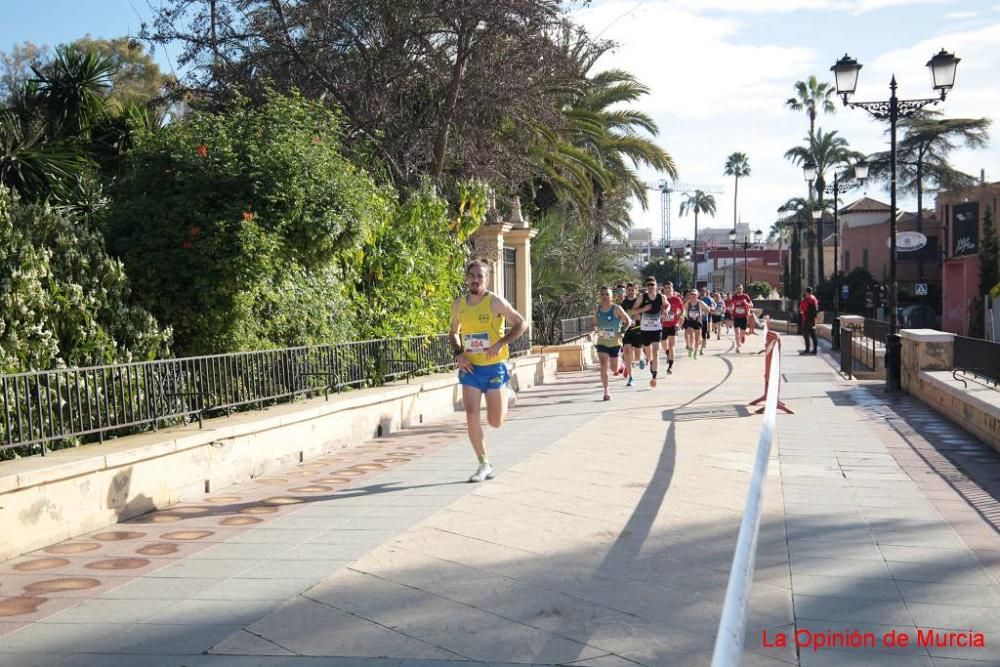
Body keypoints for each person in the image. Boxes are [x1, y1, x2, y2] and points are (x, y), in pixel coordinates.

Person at [450, 259, 527, 483]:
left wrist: (501, 343)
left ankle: (506, 390)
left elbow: (521, 323)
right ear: (467, 278)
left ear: (487, 279)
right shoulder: (459, 305)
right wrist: (459, 354)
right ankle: (483, 463)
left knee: (495, 422)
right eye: (472, 275)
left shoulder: (495, 302)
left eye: (480, 276)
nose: (475, 279)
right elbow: (453, 332)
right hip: (470, 368)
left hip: (494, 367)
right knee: (471, 413)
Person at [594, 286, 632, 400]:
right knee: (603, 364)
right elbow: (594, 324)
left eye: (607, 294)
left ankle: (622, 366)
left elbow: (628, 321)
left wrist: (623, 331)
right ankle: (606, 391)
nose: (605, 296)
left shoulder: (617, 308)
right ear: (600, 296)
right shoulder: (597, 309)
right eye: (603, 294)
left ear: (612, 296)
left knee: (614, 369)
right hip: (602, 342)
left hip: (615, 342)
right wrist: (593, 330)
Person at [632, 277, 665, 387]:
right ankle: (650, 361)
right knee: (649, 353)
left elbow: (667, 305)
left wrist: (666, 310)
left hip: (657, 329)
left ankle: (654, 377)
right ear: (646, 286)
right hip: (645, 329)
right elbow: (634, 310)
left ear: (656, 285)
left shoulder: (661, 297)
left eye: (652, 284)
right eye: (648, 285)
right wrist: (643, 309)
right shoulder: (642, 297)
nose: (650, 287)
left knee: (656, 353)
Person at [620, 283, 642, 387]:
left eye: (633, 290)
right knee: (627, 351)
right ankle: (630, 377)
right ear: (626, 291)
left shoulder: (639, 301)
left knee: (636, 356)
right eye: (629, 290)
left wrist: (637, 316)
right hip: (627, 330)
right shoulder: (623, 303)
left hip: (637, 329)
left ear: (636, 291)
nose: (630, 291)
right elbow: (621, 315)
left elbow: (641, 314)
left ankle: (640, 358)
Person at [660, 282, 685, 375]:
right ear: (664, 289)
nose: (668, 289)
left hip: (673, 325)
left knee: (672, 346)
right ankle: (667, 353)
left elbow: (682, 310)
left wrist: (677, 317)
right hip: (663, 325)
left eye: (669, 288)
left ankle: (670, 366)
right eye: (666, 288)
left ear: (672, 289)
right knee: (663, 345)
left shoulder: (676, 299)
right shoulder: (661, 299)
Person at [682, 290, 712, 357]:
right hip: (690, 322)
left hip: (698, 322)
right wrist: (685, 315)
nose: (693, 296)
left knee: (697, 339)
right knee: (691, 337)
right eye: (692, 294)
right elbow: (682, 309)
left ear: (697, 295)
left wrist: (702, 316)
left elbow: (708, 309)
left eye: (694, 295)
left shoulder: (700, 302)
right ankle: (690, 348)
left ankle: (695, 352)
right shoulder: (688, 302)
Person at [731, 284, 754, 354]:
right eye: (738, 288)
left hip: (743, 317)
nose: (739, 290)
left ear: (742, 289)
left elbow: (752, 305)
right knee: (736, 333)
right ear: (736, 289)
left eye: (740, 288)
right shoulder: (733, 297)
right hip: (736, 317)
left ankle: (743, 336)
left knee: (742, 333)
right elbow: (730, 305)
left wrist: (746, 303)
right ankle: (738, 347)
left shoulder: (745, 296)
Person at [800, 286, 820, 355]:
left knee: (806, 335)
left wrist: (803, 311)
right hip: (812, 320)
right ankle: (814, 350)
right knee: (813, 335)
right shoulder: (814, 299)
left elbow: (803, 309)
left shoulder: (808, 300)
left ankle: (807, 349)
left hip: (806, 319)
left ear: (806, 292)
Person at [699, 287, 715, 355]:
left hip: (705, 319)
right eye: (702, 291)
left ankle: (702, 348)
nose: (703, 292)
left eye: (704, 291)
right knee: (698, 334)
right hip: (696, 320)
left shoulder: (708, 299)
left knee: (703, 334)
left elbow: (713, 308)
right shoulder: (697, 298)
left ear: (706, 292)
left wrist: (709, 308)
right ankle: (699, 346)